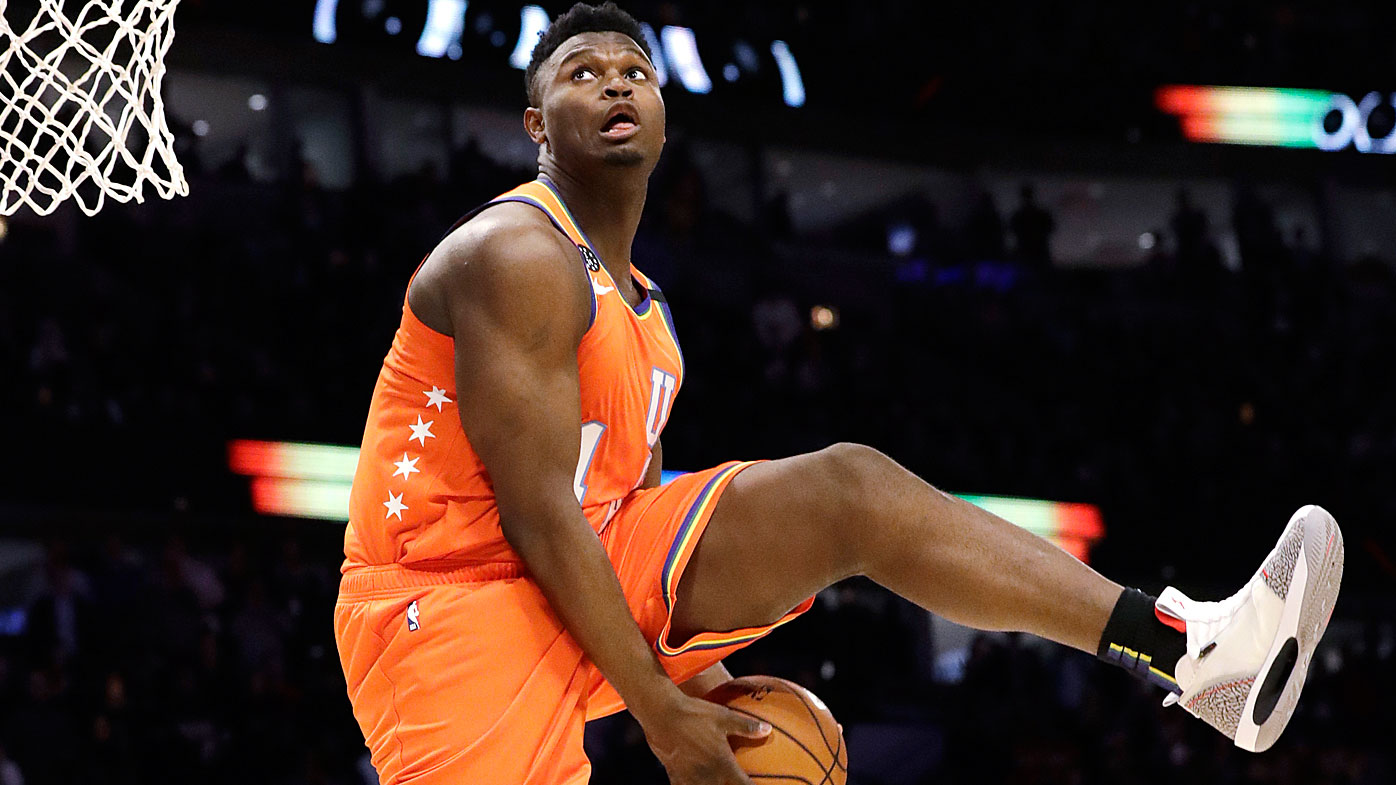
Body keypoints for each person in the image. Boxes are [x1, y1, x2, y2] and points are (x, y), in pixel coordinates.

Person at [331, 4, 1346, 784]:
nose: (614, 84)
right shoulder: (514, 250)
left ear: (664, 113)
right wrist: (655, 705)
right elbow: (539, 513)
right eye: (581, 73)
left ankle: (1191, 649)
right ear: (534, 124)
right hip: (444, 602)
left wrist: (710, 698)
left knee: (848, 489)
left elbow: (621, 530)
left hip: (575, 570)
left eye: (634, 70)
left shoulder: (650, 319)